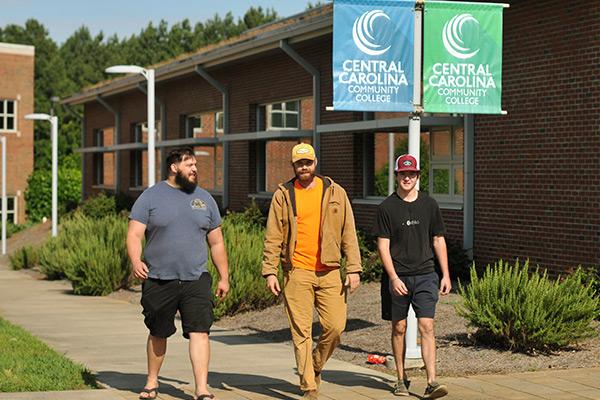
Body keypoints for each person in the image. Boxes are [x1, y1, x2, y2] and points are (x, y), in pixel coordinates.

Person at [127, 147, 229, 400]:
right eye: (189, 164)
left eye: (196, 165)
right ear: (174, 167)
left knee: (200, 331)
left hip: (196, 278)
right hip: (159, 278)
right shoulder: (150, 197)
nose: (195, 169)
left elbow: (216, 242)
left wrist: (224, 276)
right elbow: (134, 233)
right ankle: (152, 382)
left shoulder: (205, 199)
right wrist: (135, 260)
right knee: (158, 331)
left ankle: (202, 388)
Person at [262, 143, 362, 399]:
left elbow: (348, 232)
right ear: (293, 166)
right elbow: (272, 236)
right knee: (301, 332)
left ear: (315, 163)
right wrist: (270, 271)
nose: (304, 167)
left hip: (329, 270)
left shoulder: (335, 192)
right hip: (297, 271)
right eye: (299, 163)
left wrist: (353, 268)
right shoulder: (283, 194)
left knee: (336, 327)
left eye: (308, 162)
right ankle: (309, 385)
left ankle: (315, 364)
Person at [374, 154, 451, 399]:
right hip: (398, 277)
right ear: (397, 176)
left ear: (418, 176)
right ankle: (400, 378)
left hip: (426, 274)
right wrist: (393, 277)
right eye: (403, 174)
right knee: (399, 327)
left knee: (427, 325)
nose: (407, 178)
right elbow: (383, 246)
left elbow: (438, 240)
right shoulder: (387, 207)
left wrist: (446, 274)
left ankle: (431, 381)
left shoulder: (430, 205)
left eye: (411, 174)